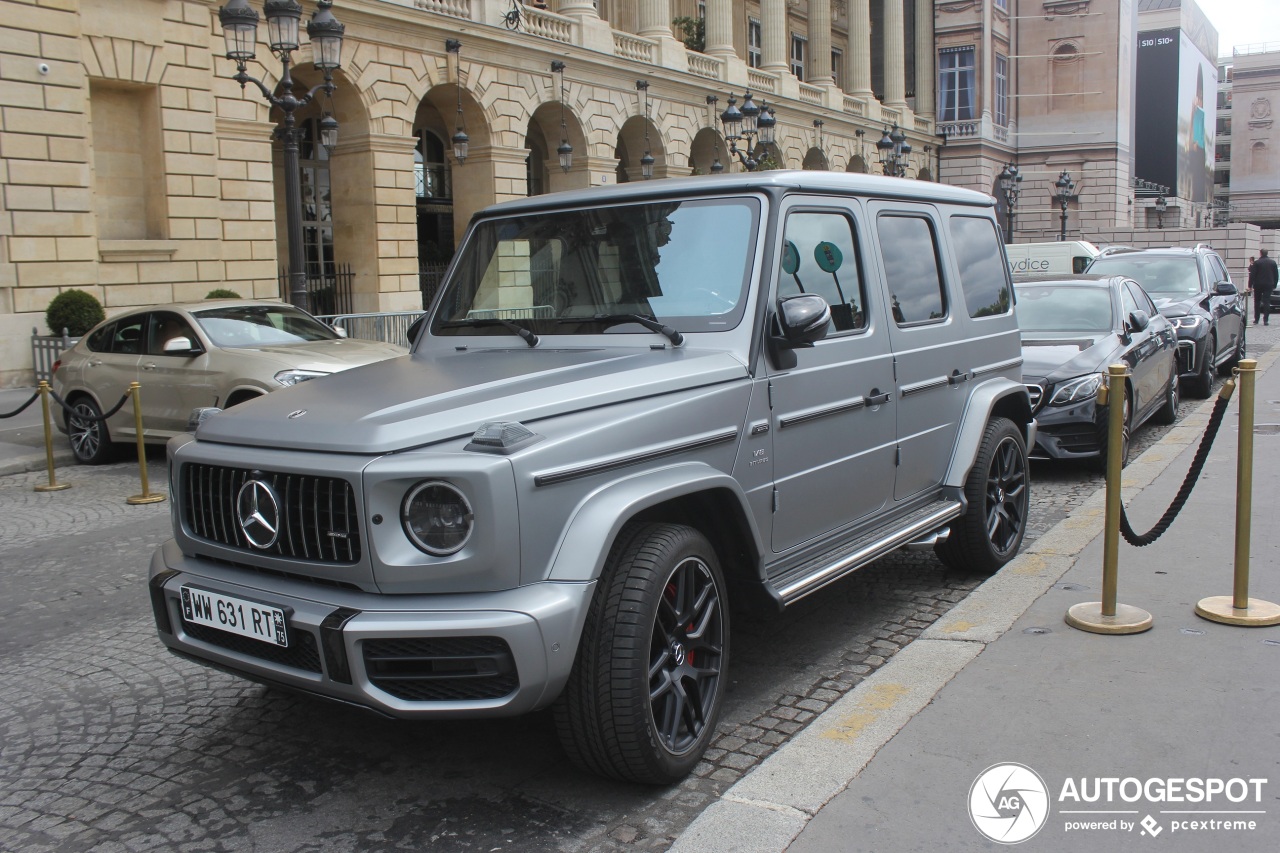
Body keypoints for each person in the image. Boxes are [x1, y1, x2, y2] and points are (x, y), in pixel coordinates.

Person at [1254, 249, 1279, 326]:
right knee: (1266, 302)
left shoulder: (1257, 262)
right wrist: (1274, 284)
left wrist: (1250, 284)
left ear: (1261, 253)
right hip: (1269, 284)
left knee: (1257, 301)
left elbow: (1253, 275)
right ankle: (1266, 320)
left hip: (1258, 284)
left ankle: (1256, 319)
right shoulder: (1273, 262)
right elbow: (1276, 275)